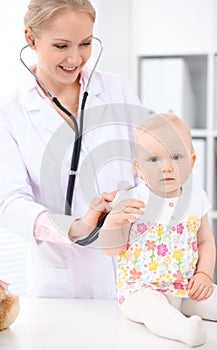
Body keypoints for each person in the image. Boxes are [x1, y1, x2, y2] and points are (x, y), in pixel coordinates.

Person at [0, 0, 147, 298]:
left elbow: (151, 164)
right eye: (61, 45)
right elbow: (10, 202)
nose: (75, 58)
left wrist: (129, 207)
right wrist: (75, 227)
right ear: (30, 38)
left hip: (132, 268)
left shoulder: (118, 90)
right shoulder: (12, 112)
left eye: (85, 43)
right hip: (61, 280)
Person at [99, 113, 217, 347]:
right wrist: (113, 222)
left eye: (176, 157)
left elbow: (205, 241)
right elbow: (112, 250)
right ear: (139, 169)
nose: (166, 167)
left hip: (186, 287)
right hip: (140, 290)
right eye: (153, 160)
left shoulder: (196, 198)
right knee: (154, 310)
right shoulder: (132, 199)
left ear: (191, 162)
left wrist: (204, 275)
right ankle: (184, 329)